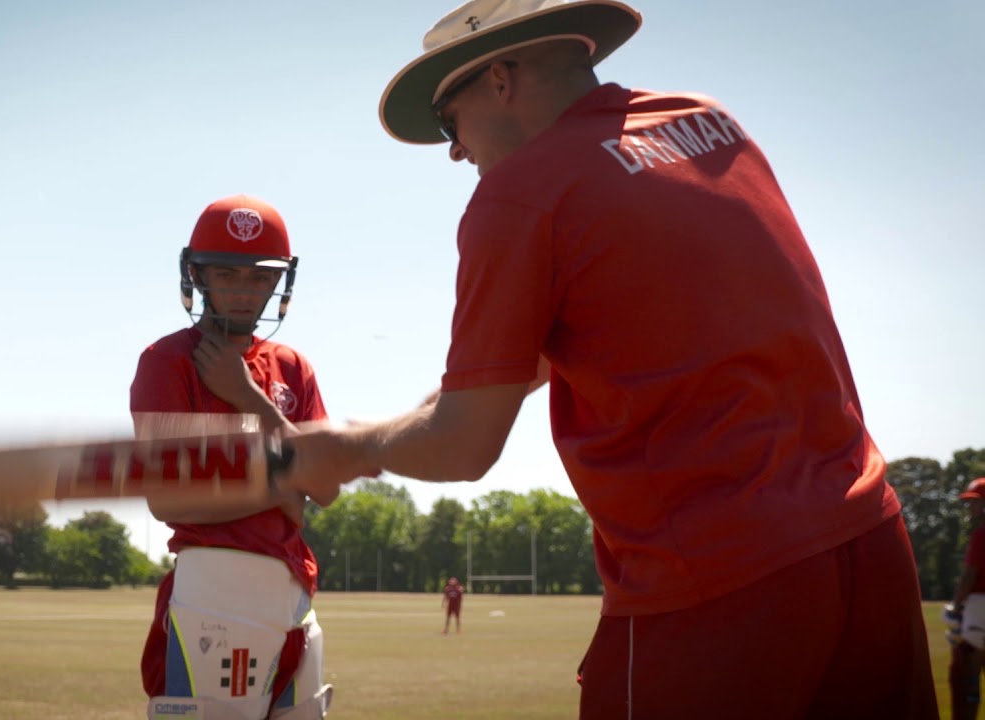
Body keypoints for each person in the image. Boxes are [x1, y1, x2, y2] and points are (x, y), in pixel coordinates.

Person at [282, 1, 938, 717]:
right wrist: (382, 430)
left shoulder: (520, 192)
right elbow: (575, 342)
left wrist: (346, 446)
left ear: (500, 77)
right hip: (871, 543)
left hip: (715, 583)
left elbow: (467, 443)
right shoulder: (708, 122)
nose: (455, 151)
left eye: (449, 121)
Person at [133, 194, 332, 720]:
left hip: (295, 586)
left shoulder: (292, 367)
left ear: (279, 282)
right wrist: (282, 490)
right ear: (197, 276)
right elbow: (168, 500)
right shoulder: (166, 362)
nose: (245, 293)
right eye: (228, 275)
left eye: (260, 278)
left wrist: (250, 398)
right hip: (213, 588)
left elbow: (328, 486)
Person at [947, 477, 985, 720]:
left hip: (979, 608)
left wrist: (956, 606)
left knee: (967, 676)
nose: (970, 508)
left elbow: (969, 575)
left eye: (975, 503)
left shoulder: (981, 535)